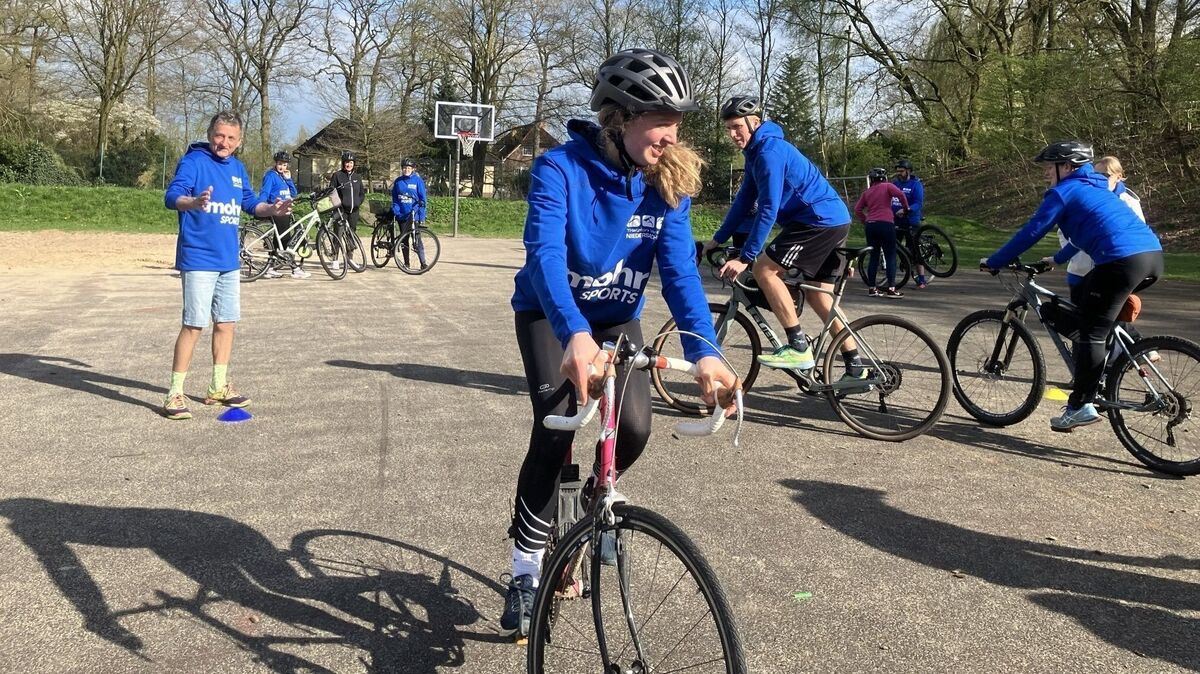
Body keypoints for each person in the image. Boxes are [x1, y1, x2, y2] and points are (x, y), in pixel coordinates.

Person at [503, 48, 738, 637]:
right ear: (619, 119)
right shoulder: (559, 169)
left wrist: (706, 351)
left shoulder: (666, 182)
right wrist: (573, 334)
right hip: (550, 314)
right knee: (557, 424)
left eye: (676, 123)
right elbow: (545, 256)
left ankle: (594, 503)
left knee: (634, 427)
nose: (672, 136)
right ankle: (526, 568)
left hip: (615, 319)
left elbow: (680, 273)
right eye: (660, 122)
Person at [983, 140, 1162, 431]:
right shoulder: (1097, 187)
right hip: (1150, 257)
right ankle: (1107, 369)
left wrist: (995, 261)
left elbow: (1033, 230)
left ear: (1066, 166)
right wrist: (1056, 259)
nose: (1045, 173)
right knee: (1091, 309)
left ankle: (1080, 405)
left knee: (1091, 333)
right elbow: (1084, 235)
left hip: (1120, 261)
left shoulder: (1064, 191)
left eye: (1049, 167)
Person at [701, 95, 863, 383]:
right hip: (832, 219)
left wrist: (746, 258)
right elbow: (743, 202)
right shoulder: (755, 152)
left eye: (737, 127)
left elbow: (768, 208)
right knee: (818, 295)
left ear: (754, 123)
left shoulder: (768, 152)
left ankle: (798, 346)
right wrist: (716, 240)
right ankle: (855, 367)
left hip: (816, 220)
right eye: (728, 128)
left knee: (764, 269)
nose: (732, 134)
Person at [161, 111, 293, 420]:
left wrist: (272, 209)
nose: (224, 142)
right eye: (219, 136)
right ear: (210, 134)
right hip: (198, 258)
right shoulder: (194, 161)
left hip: (229, 260)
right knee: (194, 324)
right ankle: (175, 392)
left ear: (239, 140)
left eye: (231, 138)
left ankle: (217, 386)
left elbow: (250, 203)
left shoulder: (237, 167)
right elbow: (172, 196)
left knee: (226, 323)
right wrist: (192, 202)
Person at [854, 167, 909, 298]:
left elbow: (857, 209)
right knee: (890, 256)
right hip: (886, 223)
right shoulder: (888, 186)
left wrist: (865, 220)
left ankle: (872, 288)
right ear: (884, 178)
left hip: (871, 225)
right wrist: (906, 209)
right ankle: (891, 288)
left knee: (874, 256)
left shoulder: (867, 192)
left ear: (871, 180)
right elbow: (901, 195)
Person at [259, 151, 309, 279]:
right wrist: (261, 207)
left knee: (278, 242)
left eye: (285, 164)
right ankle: (295, 269)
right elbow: (264, 192)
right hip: (277, 211)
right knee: (285, 240)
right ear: (276, 163)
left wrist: (289, 179)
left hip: (286, 212)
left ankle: (270, 268)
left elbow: (294, 193)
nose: (282, 167)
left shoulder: (283, 177)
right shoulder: (270, 176)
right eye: (280, 164)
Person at [891, 159, 928, 287]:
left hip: (911, 221)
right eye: (897, 171)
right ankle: (892, 278)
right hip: (895, 222)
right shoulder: (895, 184)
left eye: (901, 171)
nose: (899, 173)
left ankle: (921, 278)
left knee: (914, 250)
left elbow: (918, 203)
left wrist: (907, 210)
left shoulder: (915, 184)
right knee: (892, 248)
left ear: (908, 171)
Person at [390, 158, 428, 267]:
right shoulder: (398, 181)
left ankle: (423, 263)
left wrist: (422, 215)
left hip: (414, 215)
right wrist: (396, 209)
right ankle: (406, 263)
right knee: (404, 240)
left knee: (417, 239)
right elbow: (395, 197)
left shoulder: (418, 180)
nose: (406, 170)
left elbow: (423, 199)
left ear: (413, 169)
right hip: (402, 215)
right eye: (404, 168)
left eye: (408, 168)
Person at [329, 151, 364, 248]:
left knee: (351, 234)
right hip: (341, 211)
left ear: (354, 164)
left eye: (351, 162)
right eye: (347, 162)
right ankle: (335, 255)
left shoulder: (357, 177)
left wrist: (358, 202)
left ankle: (350, 254)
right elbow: (331, 192)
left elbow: (361, 193)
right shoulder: (337, 175)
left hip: (354, 211)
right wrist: (338, 205)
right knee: (338, 234)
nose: (349, 165)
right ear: (343, 163)